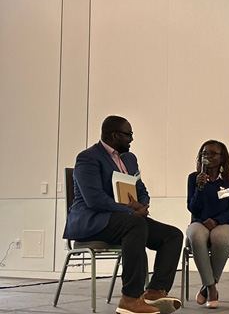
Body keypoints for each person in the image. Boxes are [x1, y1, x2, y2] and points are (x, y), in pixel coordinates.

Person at [63, 116, 183, 314]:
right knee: (136, 224)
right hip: (92, 221)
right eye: (129, 135)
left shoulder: (129, 159)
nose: (132, 139)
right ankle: (130, 298)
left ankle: (154, 291)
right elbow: (94, 199)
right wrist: (131, 211)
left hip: (125, 220)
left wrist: (142, 205)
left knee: (172, 235)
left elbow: (141, 188)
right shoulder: (87, 158)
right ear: (115, 135)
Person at [186, 140, 229, 309]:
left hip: (224, 222)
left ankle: (206, 287)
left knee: (220, 238)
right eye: (204, 153)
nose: (208, 157)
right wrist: (199, 188)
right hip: (200, 222)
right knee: (195, 235)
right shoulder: (193, 178)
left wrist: (217, 221)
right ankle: (212, 288)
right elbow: (192, 207)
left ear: (222, 157)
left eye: (213, 153)